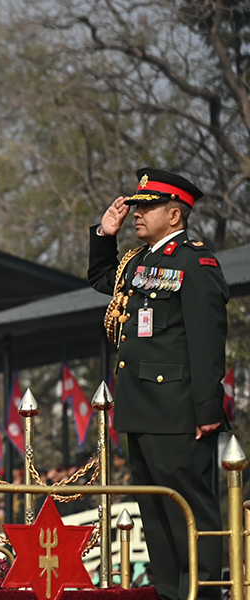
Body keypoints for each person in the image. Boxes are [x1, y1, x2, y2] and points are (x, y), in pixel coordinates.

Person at [89, 167, 228, 600]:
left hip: (179, 409)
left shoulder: (195, 261)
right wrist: (103, 234)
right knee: (154, 509)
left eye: (147, 207)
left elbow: (207, 341)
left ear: (175, 214)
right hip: (141, 406)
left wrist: (208, 408)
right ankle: (169, 592)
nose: (136, 214)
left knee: (190, 508)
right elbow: (102, 281)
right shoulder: (139, 261)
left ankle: (202, 592)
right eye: (135, 206)